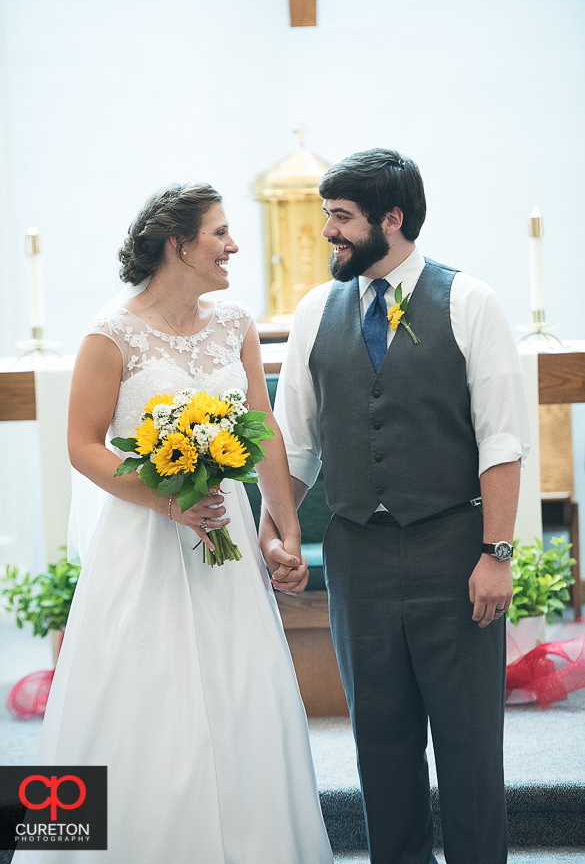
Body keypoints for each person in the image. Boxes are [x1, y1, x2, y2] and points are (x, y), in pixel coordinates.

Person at [13, 183, 333, 864]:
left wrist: (282, 529)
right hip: (143, 543)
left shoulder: (234, 322)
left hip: (222, 535)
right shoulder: (111, 331)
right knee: (137, 702)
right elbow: (82, 444)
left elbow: (264, 427)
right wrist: (163, 499)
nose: (234, 246)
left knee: (237, 693)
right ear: (177, 243)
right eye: (220, 233)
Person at [260, 149, 531, 864]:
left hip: (453, 548)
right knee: (379, 739)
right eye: (326, 217)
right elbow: (294, 446)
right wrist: (278, 530)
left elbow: (500, 443)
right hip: (358, 555)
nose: (327, 233)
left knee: (469, 740)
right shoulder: (317, 310)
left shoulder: (471, 301)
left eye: (341, 218)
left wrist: (494, 554)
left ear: (392, 218)